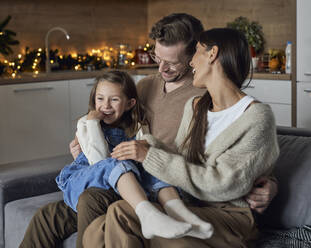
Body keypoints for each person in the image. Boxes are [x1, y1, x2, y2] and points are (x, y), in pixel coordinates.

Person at [20, 13, 277, 248]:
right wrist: (85, 138)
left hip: (159, 188)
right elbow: (109, 114)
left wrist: (271, 184)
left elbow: (244, 163)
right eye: (157, 58)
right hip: (131, 178)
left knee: (105, 210)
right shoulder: (149, 90)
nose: (161, 69)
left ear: (197, 57)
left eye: (172, 63)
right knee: (47, 217)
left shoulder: (204, 94)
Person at [55, 70, 213, 240]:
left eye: (114, 99)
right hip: (84, 179)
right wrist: (93, 123)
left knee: (152, 164)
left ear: (129, 104)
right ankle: (147, 215)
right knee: (114, 163)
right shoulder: (86, 124)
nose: (106, 105)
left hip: (121, 180)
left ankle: (180, 213)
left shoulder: (138, 126)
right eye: (100, 99)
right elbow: (100, 161)